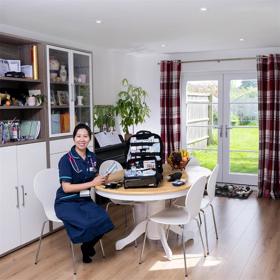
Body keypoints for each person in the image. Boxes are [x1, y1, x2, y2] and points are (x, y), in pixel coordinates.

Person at [54, 123, 114, 263]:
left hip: (84, 199)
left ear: (89, 138)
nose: (82, 139)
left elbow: (99, 173)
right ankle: (86, 248)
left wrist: (103, 178)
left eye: (85, 136)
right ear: (74, 138)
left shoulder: (92, 157)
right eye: (79, 136)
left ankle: (86, 247)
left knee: (104, 220)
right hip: (66, 201)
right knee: (86, 225)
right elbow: (66, 188)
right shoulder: (66, 160)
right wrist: (93, 183)